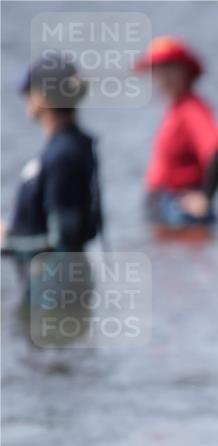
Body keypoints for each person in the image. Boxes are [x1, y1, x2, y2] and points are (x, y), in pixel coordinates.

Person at [1, 53, 103, 308]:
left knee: (44, 346)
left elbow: (64, 242)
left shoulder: (62, 155)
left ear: (43, 97)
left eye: (28, 91)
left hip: (54, 290)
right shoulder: (73, 145)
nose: (25, 97)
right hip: (58, 287)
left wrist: (8, 242)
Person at [134, 36, 218, 241]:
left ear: (185, 71)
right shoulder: (175, 109)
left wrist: (206, 197)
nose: (161, 76)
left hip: (179, 211)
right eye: (156, 69)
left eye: (169, 67)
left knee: (185, 268)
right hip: (165, 209)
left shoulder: (191, 109)